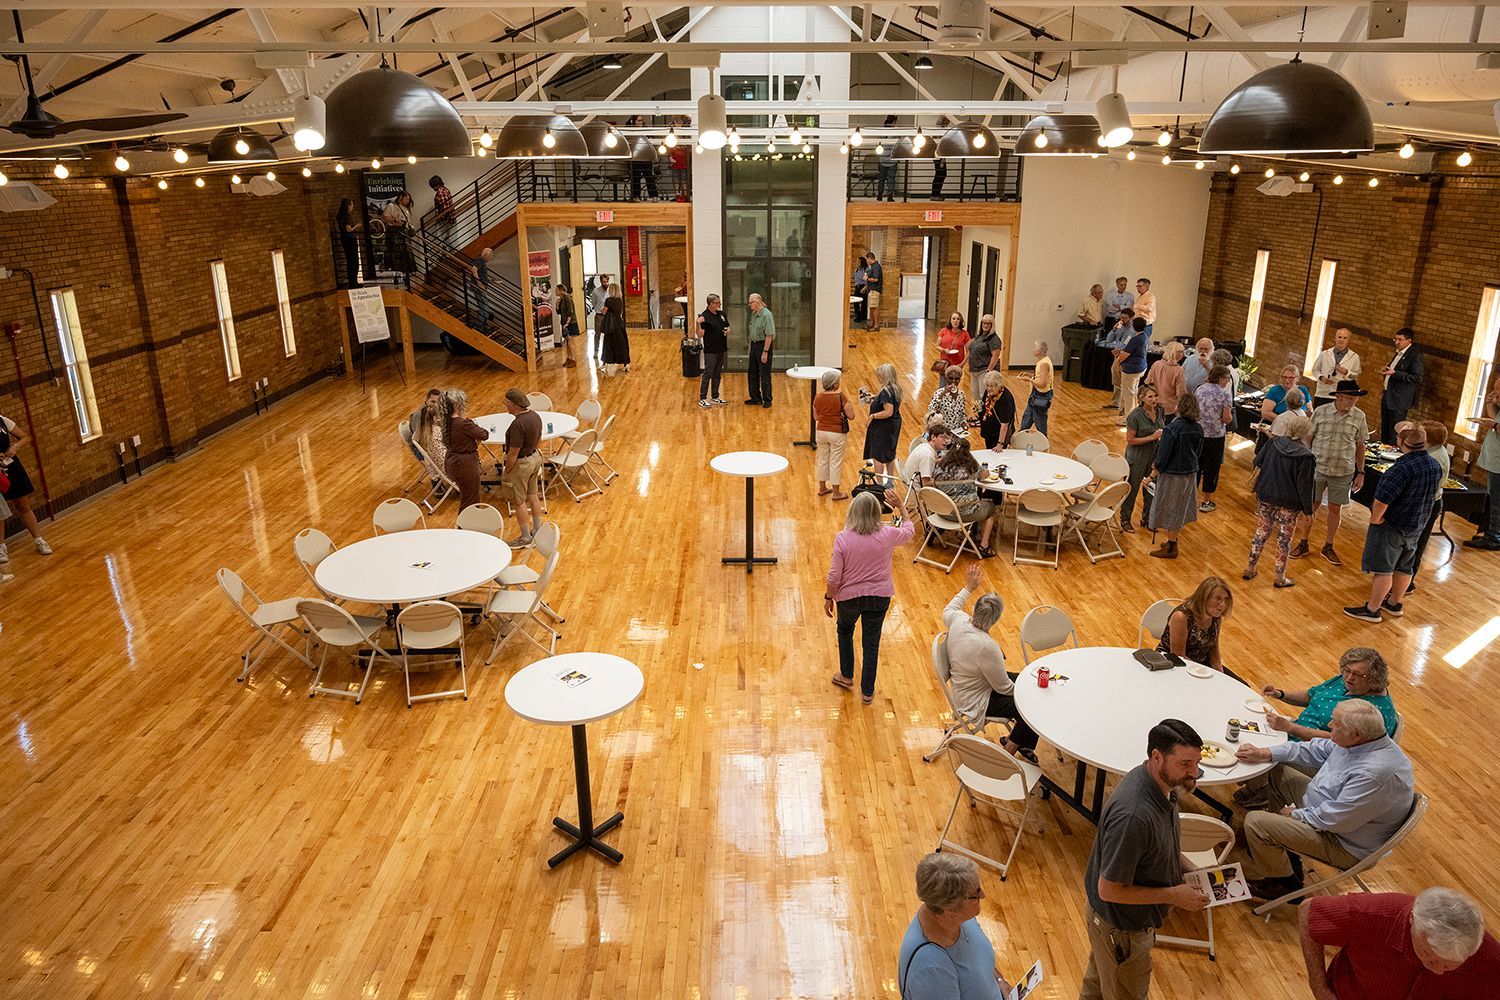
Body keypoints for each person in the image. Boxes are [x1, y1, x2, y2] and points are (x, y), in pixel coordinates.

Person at [1079, 719, 1209, 1000]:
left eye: (1197, 762)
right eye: (1185, 764)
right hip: (1121, 929)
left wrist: (1188, 868)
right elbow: (1109, 889)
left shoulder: (1162, 784)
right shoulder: (1134, 816)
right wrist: (1174, 895)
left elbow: (1157, 847)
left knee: (1099, 988)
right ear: (1156, 757)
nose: (1194, 773)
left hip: (1115, 926)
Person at [1233, 700, 1415, 900]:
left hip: (1341, 842)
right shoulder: (1361, 742)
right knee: (1275, 767)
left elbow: (1337, 820)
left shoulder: (1374, 774)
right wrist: (1265, 753)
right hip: (1325, 810)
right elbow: (1312, 749)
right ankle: (1281, 845)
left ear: (1356, 735)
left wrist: (1296, 815)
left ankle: (1283, 883)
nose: (1329, 726)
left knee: (1256, 821)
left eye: (1336, 724)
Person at [1300, 887, 1499, 999]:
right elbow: (1308, 911)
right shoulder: (1369, 913)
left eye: (1450, 966)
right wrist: (1320, 988)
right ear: (1412, 919)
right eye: (1429, 958)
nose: (1438, 971)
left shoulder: (1489, 956)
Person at [825, 489, 915, 704]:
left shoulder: (843, 538)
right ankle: (867, 692)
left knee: (845, 631)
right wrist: (901, 506)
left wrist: (829, 597)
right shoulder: (888, 534)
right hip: (879, 597)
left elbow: (834, 576)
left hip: (848, 598)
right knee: (871, 643)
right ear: (877, 512)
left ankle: (846, 676)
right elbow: (909, 530)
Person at [1345, 422, 1441, 622]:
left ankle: (1372, 610)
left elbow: (1382, 500)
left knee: (1384, 568)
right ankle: (1395, 603)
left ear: (1402, 441)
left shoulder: (1400, 468)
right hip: (1416, 526)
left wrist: (1375, 519)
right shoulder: (1434, 465)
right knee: (1405, 566)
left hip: (1392, 526)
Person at [942, 564, 1039, 760]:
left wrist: (969, 587)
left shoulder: (959, 620)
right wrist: (1025, 693)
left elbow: (950, 607)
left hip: (966, 685)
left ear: (976, 608)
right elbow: (1003, 688)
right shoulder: (987, 646)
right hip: (976, 700)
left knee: (1028, 681)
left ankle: (1019, 739)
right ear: (995, 620)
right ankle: (1008, 753)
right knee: (1033, 703)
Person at [898, 853, 1011, 1000]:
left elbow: (976, 962)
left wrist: (998, 980)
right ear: (950, 908)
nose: (982, 895)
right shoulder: (931, 968)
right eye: (975, 894)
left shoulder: (959, 917)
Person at [1291, 379, 1369, 564]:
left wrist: (1361, 472)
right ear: (1338, 397)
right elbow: (1308, 437)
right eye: (1349, 398)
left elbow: (1360, 445)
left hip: (1343, 471)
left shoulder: (1359, 417)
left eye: (1355, 399)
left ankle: (1328, 546)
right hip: (1318, 468)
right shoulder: (1321, 411)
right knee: (1311, 506)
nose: (1353, 402)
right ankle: (1303, 542)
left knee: (1335, 509)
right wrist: (1306, 461)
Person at [1260, 647, 1399, 743]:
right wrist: (1280, 694)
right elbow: (1311, 695)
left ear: (1374, 678)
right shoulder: (1343, 681)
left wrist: (1290, 728)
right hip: (1295, 731)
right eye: (1347, 670)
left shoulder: (1372, 711)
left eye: (1357, 674)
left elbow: (1337, 742)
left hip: (1318, 754)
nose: (1349, 677)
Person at [1243, 413, 1316, 588]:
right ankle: (1279, 577)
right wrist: (1308, 510)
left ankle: (1250, 567)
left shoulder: (1273, 443)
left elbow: (1257, 461)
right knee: (1284, 539)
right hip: (1290, 503)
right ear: (1306, 432)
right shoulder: (1306, 456)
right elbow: (1304, 486)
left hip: (1266, 495)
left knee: (1261, 532)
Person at [1145, 393, 1203, 559]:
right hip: (1190, 474)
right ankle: (1172, 541)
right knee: (1179, 508)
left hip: (1173, 475)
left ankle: (1171, 546)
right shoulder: (1198, 428)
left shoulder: (1173, 428)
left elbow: (1163, 455)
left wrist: (1152, 475)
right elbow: (1198, 452)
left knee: (1170, 508)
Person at [932, 438, 998, 558]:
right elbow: (985, 475)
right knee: (991, 508)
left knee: (962, 500)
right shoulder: (971, 467)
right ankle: (984, 546)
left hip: (942, 511)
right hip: (963, 513)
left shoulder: (939, 467)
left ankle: (964, 536)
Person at [0, 412, 52, 560]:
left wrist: (15, 447)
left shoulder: (2, 421)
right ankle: (1, 548)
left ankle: (39, 540)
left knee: (23, 505)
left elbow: (25, 437)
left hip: (12, 467)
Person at [497, 388, 545, 544]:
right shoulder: (535, 416)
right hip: (535, 458)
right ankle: (537, 529)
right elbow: (539, 439)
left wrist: (507, 470)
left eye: (506, 403)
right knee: (533, 495)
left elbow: (513, 453)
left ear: (513, 404)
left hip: (521, 463)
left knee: (519, 501)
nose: (505, 406)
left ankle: (525, 537)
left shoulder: (518, 424)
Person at [1406, 420, 1450, 591]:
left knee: (1416, 543)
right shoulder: (1433, 451)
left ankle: (1408, 582)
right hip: (1427, 502)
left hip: (1428, 504)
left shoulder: (1436, 457)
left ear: (1428, 438)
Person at [1157, 576, 1232, 671]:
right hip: (1173, 664)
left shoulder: (1215, 616)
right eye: (1218, 598)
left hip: (1199, 664)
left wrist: (1218, 669)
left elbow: (1213, 646)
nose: (1223, 605)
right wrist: (1203, 672)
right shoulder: (1181, 616)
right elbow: (1178, 656)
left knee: (1242, 685)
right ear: (1204, 597)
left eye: (1226, 599)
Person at [1121, 384, 1166, 533]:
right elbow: (1130, 440)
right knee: (1131, 489)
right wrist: (1151, 437)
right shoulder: (1135, 416)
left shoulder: (1160, 411)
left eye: (1155, 396)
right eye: (1150, 397)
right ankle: (1125, 519)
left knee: (1152, 489)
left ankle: (1148, 519)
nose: (1154, 399)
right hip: (1137, 456)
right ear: (1141, 398)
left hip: (1154, 455)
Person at [1466, 373, 1500, 550]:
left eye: (1498, 391)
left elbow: (1496, 425)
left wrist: (1493, 426)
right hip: (1494, 459)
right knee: (1493, 497)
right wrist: (1490, 404)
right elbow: (1496, 419)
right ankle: (1491, 532)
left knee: (1497, 500)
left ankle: (1494, 537)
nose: (1496, 394)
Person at [440, 389, 489, 512]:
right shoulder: (464, 424)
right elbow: (484, 434)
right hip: (465, 464)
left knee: (465, 497)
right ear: (458, 405)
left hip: (451, 461)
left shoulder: (445, 422)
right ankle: (465, 528)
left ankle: (465, 527)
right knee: (471, 501)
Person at [1194, 365, 1234, 513]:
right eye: (1227, 378)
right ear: (1220, 378)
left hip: (1198, 433)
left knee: (1196, 465)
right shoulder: (1225, 394)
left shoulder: (1200, 389)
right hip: (1215, 436)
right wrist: (1229, 418)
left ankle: (1191, 498)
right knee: (1211, 468)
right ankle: (1206, 501)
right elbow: (1226, 418)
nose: (1227, 381)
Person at [814, 370, 858, 500]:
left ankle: (822, 488)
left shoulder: (817, 397)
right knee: (835, 462)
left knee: (822, 460)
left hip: (821, 430)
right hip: (837, 432)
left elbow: (816, 416)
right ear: (834, 385)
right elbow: (851, 416)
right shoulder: (840, 397)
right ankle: (836, 492)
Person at [1379, 327, 1423, 443]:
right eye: (1395, 339)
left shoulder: (1414, 356)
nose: (1397, 342)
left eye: (1400, 339)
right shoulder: (1398, 353)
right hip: (1388, 395)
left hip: (1399, 399)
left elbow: (1417, 377)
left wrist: (1395, 373)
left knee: (1394, 431)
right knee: (1385, 428)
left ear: (1409, 341)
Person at [863, 363, 904, 481]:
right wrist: (875, 398)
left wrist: (872, 416)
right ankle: (890, 482)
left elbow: (888, 411)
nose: (878, 377)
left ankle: (880, 483)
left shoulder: (886, 391)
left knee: (878, 456)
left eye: (880, 375)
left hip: (883, 428)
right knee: (890, 454)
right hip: (893, 425)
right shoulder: (896, 388)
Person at [1310, 328, 1361, 408]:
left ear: (1348, 340)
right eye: (1339, 337)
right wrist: (1321, 377)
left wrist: (1347, 372)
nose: (1342, 340)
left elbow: (1356, 375)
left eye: (1345, 338)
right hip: (1323, 393)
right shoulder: (1325, 354)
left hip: (1341, 395)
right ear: (1335, 338)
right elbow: (1315, 370)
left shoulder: (1354, 357)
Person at [740, 292, 776, 406]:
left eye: (751, 302)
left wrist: (765, 352)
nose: (749, 305)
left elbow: (769, 335)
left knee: (764, 374)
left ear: (757, 302)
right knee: (752, 372)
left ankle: (767, 399)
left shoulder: (766, 315)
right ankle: (755, 397)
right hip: (754, 345)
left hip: (763, 345)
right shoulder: (754, 313)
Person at [696, 293, 730, 408]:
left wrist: (727, 331)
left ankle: (715, 397)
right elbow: (700, 335)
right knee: (708, 373)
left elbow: (727, 326)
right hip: (711, 350)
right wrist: (698, 324)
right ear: (711, 304)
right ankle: (703, 398)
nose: (719, 304)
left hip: (721, 348)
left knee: (717, 374)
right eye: (717, 302)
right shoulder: (705, 316)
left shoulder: (721, 314)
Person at [1114, 317, 1150, 425]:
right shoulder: (1144, 336)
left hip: (1131, 370)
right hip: (1140, 367)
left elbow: (1125, 355)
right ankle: (1134, 415)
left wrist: (1118, 360)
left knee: (1128, 394)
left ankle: (1128, 419)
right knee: (1133, 393)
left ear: (1134, 326)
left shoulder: (1135, 339)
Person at [1099, 307, 1136, 412]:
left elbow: (1129, 344)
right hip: (1117, 357)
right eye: (1121, 317)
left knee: (1125, 382)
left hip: (1126, 357)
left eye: (1125, 318)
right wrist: (1114, 329)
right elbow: (1109, 339)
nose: (1122, 320)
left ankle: (1124, 407)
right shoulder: (1120, 326)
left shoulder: (1133, 330)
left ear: (1131, 318)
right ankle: (1116, 403)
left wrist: (1121, 351)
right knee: (1116, 380)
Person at [1017, 341, 1054, 435]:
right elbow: (1040, 376)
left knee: (1040, 423)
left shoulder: (1043, 364)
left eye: (1035, 348)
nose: (1033, 350)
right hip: (1035, 397)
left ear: (1040, 352)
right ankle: (1020, 437)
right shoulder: (1044, 361)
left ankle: (1043, 444)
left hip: (1040, 397)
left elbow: (1042, 383)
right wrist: (1030, 375)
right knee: (1026, 419)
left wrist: (1029, 380)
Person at [407, 387, 448, 470]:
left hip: (434, 446)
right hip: (424, 451)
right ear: (426, 400)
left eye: (438, 402)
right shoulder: (419, 416)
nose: (435, 405)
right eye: (432, 401)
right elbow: (421, 440)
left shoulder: (435, 412)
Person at [973, 371, 1015, 451]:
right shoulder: (989, 392)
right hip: (989, 432)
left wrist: (1000, 444)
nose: (989, 388)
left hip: (999, 435)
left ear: (999, 386)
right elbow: (983, 406)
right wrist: (977, 409)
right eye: (987, 385)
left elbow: (1004, 424)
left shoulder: (1006, 399)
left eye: (992, 386)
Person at [1143, 341, 1186, 417]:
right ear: (1174, 353)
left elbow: (1147, 382)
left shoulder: (1156, 364)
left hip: (1154, 404)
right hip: (1170, 408)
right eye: (1181, 352)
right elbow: (1181, 393)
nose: (1183, 354)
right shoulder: (1178, 370)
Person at [925, 366, 970, 439]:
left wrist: (964, 422)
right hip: (943, 434)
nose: (954, 381)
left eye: (957, 379)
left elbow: (963, 413)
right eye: (951, 378)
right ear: (946, 378)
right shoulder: (939, 393)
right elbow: (931, 410)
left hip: (957, 434)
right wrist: (943, 394)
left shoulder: (961, 394)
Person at [904, 421, 953, 487]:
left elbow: (931, 461)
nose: (946, 441)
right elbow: (926, 483)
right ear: (933, 437)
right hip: (918, 492)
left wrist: (944, 459)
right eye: (943, 437)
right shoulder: (928, 455)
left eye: (947, 438)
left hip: (911, 485)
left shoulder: (924, 446)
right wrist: (946, 481)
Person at [965, 315, 1002, 401]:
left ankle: (985, 414)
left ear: (992, 325)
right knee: (975, 395)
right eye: (984, 323)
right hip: (974, 370)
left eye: (988, 324)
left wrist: (989, 370)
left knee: (984, 395)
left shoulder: (994, 339)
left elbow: (995, 355)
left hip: (984, 370)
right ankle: (978, 413)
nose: (985, 325)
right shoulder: (980, 336)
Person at [598, 295, 630, 374]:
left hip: (611, 325)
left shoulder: (608, 300)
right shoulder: (620, 300)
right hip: (619, 324)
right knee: (622, 344)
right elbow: (620, 312)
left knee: (608, 344)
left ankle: (605, 363)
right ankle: (626, 364)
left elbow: (604, 311)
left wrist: (601, 310)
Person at [467, 247, 494, 333]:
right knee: (484, 308)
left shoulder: (482, 261)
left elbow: (481, 274)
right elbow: (474, 270)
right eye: (490, 256)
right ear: (486, 255)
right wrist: (479, 283)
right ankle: (479, 327)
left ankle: (484, 326)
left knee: (485, 307)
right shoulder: (480, 259)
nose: (491, 257)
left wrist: (489, 281)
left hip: (480, 287)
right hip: (478, 288)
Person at [335, 197, 361, 287]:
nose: (352, 207)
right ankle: (354, 282)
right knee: (354, 261)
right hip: (350, 239)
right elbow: (348, 229)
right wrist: (357, 226)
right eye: (352, 205)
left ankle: (352, 282)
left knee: (350, 261)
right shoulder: (347, 216)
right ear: (348, 206)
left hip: (344, 239)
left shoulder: (341, 215)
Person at [554, 283, 579, 368]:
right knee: (567, 342)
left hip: (570, 323)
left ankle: (573, 359)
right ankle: (569, 358)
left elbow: (570, 311)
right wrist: (557, 306)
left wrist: (567, 323)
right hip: (565, 323)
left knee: (570, 341)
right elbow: (559, 312)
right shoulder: (560, 300)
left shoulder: (567, 298)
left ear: (561, 290)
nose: (555, 291)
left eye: (556, 290)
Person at [1102, 275, 1134, 340]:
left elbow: (1128, 309)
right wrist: (1123, 306)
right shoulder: (1110, 295)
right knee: (1108, 337)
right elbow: (1111, 308)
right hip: (1110, 319)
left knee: (1120, 337)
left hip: (1122, 320)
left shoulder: (1130, 296)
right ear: (1117, 285)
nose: (1123, 287)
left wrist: (1119, 306)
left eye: (1125, 285)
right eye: (1121, 285)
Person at [876, 116, 898, 201]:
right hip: (892, 159)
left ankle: (879, 195)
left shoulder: (881, 131)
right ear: (893, 123)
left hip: (882, 159)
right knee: (891, 179)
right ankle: (890, 196)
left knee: (881, 178)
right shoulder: (895, 132)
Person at [428, 175, 455, 243]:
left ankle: (447, 252)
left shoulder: (440, 192)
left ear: (437, 184)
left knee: (441, 238)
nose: (433, 188)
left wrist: (439, 217)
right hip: (449, 218)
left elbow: (445, 208)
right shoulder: (445, 190)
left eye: (433, 186)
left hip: (445, 219)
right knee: (446, 239)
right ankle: (448, 252)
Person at [864, 251, 885, 331]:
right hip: (871, 290)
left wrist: (867, 279)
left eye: (866, 259)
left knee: (874, 307)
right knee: (871, 307)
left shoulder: (876, 267)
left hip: (875, 290)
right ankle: (871, 324)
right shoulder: (873, 266)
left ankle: (876, 326)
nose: (866, 261)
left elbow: (876, 279)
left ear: (869, 258)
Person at [851, 257, 869, 325]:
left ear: (862, 262)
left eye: (858, 262)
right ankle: (858, 316)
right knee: (856, 303)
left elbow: (867, 280)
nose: (857, 263)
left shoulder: (866, 270)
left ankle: (863, 317)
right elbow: (853, 276)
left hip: (863, 287)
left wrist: (864, 288)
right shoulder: (857, 270)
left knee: (864, 303)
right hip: (857, 287)